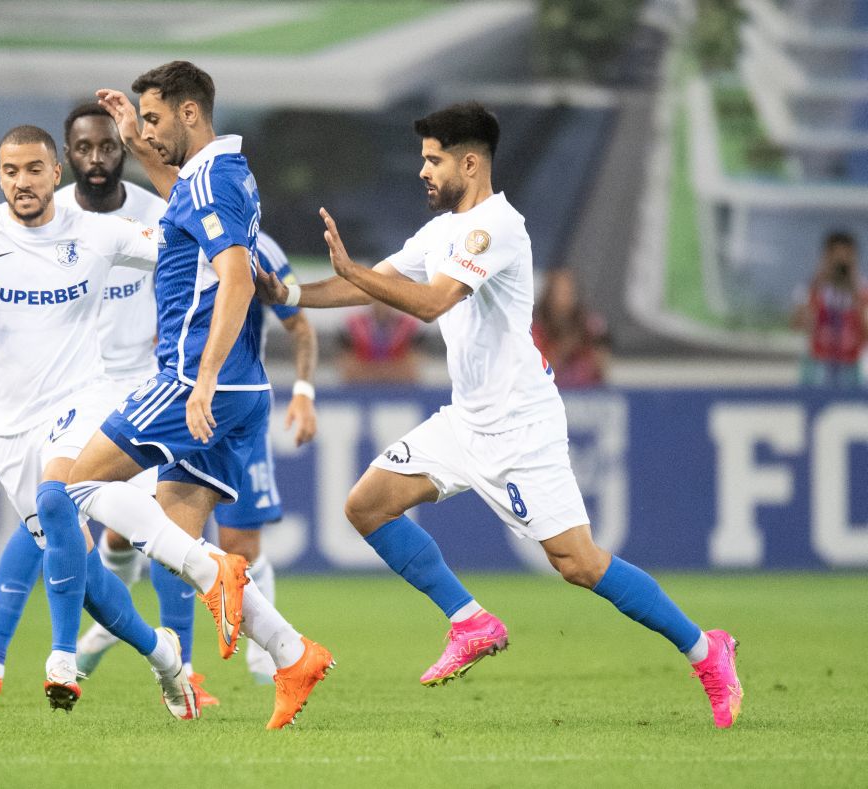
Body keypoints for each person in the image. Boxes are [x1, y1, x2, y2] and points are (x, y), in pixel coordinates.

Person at [256, 101, 743, 728]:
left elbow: (431, 303)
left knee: (579, 563)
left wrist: (354, 272)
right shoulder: (440, 232)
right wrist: (292, 292)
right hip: (467, 420)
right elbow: (368, 283)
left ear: (469, 163)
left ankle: (706, 649)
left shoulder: (499, 228)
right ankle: (470, 621)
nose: (423, 171)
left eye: (433, 160)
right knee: (366, 505)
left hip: (521, 427)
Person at [26, 60, 334, 730]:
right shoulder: (216, 175)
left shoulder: (213, 179)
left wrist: (204, 377)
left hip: (195, 377)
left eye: (156, 118)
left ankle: (210, 580)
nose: (149, 131)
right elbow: (184, 201)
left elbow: (237, 280)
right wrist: (137, 140)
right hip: (240, 388)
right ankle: (291, 653)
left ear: (189, 113)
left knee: (72, 488)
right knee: (176, 549)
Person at [0, 124, 200, 720]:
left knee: (58, 496)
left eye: (34, 169)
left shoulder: (97, 232)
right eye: (11, 171)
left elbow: (185, 246)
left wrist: (186, 187)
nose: (22, 182)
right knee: (83, 571)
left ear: (57, 174)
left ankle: (61, 657)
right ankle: (164, 655)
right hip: (10, 428)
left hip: (82, 399)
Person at [0, 104, 169, 710]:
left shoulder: (145, 215)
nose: (96, 158)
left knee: (152, 517)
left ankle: (76, 656)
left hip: (131, 388)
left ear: (123, 150)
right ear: (66, 159)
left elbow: (193, 262)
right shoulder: (35, 215)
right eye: (84, 148)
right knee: (56, 532)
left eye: (109, 146)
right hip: (50, 398)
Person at [75, 231, 319, 689]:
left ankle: (264, 661)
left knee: (239, 547)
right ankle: (160, 650)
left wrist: (304, 393)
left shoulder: (257, 247)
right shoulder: (172, 236)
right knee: (155, 535)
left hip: (233, 403)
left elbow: (299, 326)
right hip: (184, 400)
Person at [790, 231, 866, 388]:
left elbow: (866, 332)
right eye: (835, 258)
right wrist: (816, 287)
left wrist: (856, 294)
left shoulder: (862, 291)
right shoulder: (811, 288)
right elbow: (798, 325)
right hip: (818, 363)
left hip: (851, 364)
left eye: (846, 258)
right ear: (826, 257)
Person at [531, 267, 609, 388]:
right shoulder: (536, 332)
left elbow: (600, 368)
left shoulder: (589, 328)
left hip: (586, 393)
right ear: (549, 296)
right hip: (551, 393)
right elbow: (539, 373)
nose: (566, 299)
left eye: (570, 292)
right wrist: (564, 348)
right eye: (560, 293)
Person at [338, 299, 424, 383]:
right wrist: (387, 371)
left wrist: (371, 371)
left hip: (400, 388)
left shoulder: (408, 327)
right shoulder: (353, 326)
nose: (382, 304)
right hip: (361, 388)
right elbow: (348, 370)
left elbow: (412, 371)